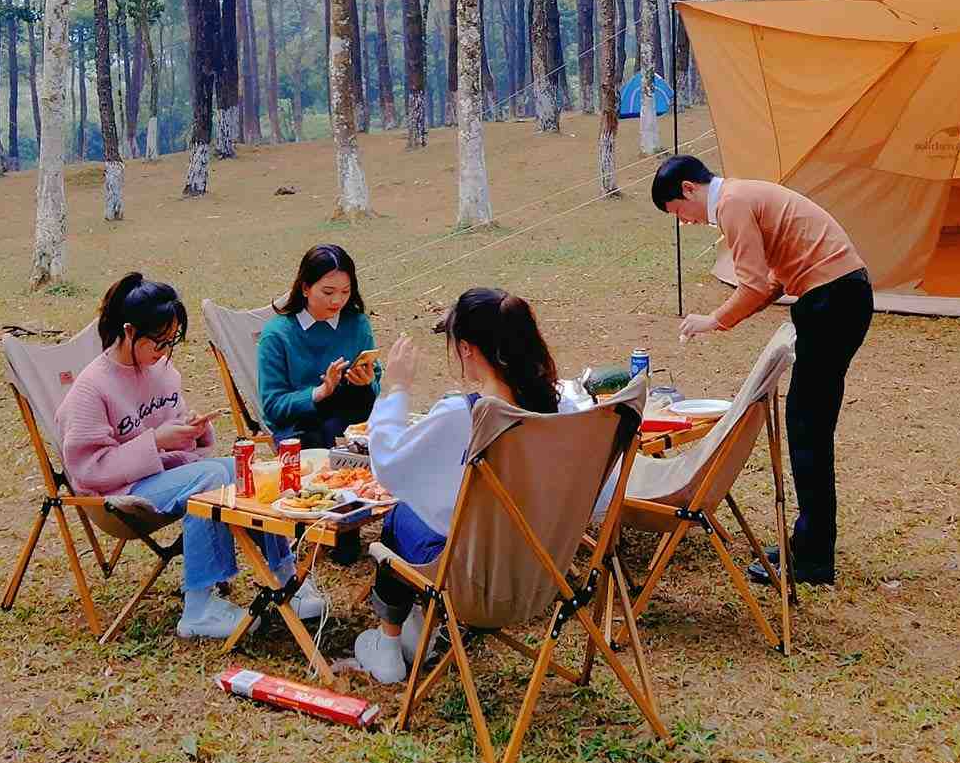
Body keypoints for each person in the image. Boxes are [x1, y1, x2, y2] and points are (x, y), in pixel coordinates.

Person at [58, 271, 323, 638]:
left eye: (171, 342)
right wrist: (157, 442)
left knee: (250, 470)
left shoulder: (161, 368)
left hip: (166, 474)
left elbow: (176, 426)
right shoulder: (91, 388)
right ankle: (198, 607)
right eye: (159, 342)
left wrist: (192, 429)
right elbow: (87, 470)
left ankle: (284, 575)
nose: (165, 352)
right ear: (130, 331)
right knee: (210, 482)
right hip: (116, 494)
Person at [653, 154, 872, 586]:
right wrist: (728, 317)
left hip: (832, 300)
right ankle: (810, 543)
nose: (686, 222)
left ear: (688, 190)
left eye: (678, 213)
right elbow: (772, 281)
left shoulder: (731, 203)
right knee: (809, 428)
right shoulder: (743, 195)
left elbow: (752, 285)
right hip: (838, 296)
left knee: (808, 431)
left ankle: (811, 560)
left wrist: (712, 320)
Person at [353, 287, 579, 685]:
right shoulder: (564, 411)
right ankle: (419, 627)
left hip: (472, 584)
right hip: (544, 574)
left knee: (403, 515)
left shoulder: (465, 415)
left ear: (469, 349)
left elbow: (388, 462)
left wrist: (398, 388)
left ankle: (388, 646)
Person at [257, 244, 379, 448]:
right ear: (305, 288)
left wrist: (367, 382)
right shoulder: (277, 334)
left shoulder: (357, 325)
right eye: (328, 292)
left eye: (345, 291)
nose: (337, 300)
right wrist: (320, 392)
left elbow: (375, 389)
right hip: (300, 431)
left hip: (355, 426)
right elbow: (273, 406)